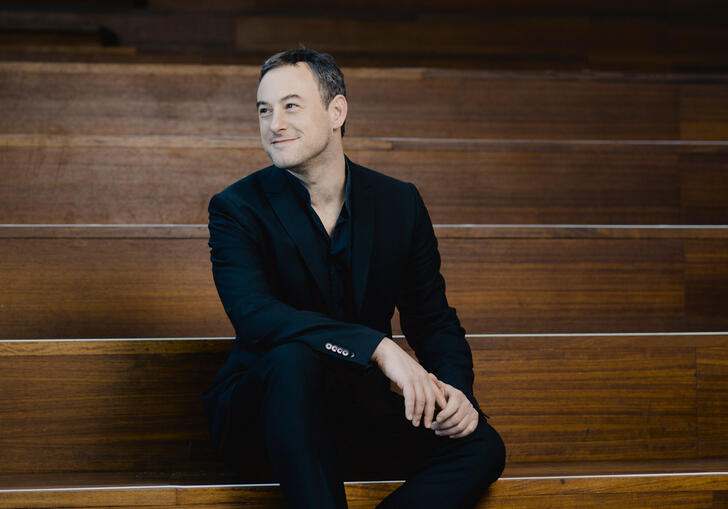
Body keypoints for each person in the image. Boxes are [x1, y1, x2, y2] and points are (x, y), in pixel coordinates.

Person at [202, 48, 505, 509]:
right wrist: (378, 347)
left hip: (357, 412)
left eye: (290, 105)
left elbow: (432, 319)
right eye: (264, 111)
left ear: (336, 110)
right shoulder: (236, 208)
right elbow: (256, 318)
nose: (274, 124)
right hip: (266, 420)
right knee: (291, 359)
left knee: (480, 443)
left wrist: (456, 390)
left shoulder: (399, 203)